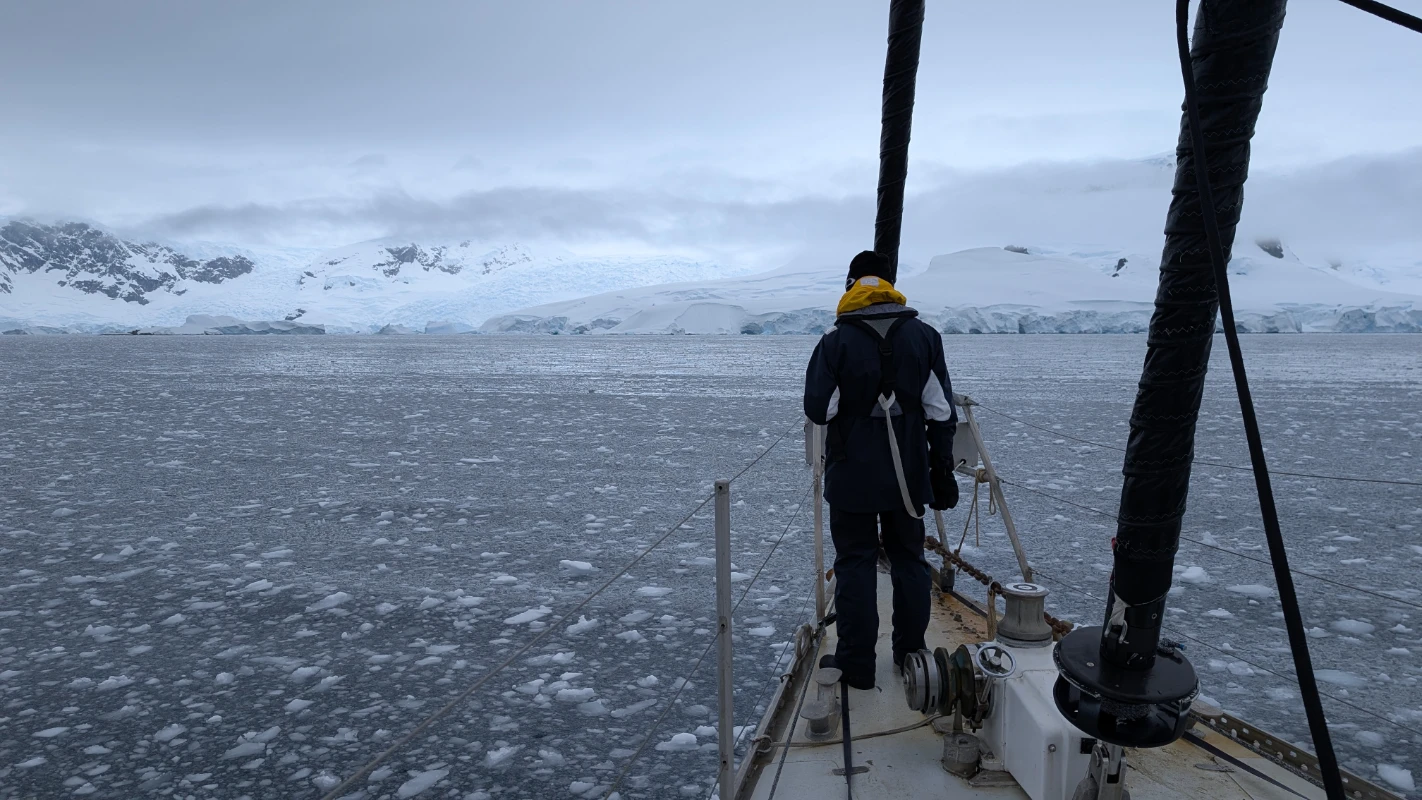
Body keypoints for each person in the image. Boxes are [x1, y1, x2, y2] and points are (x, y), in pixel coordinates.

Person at [803, 250, 958, 690]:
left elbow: (819, 409)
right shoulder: (924, 337)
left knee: (855, 562)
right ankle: (911, 654)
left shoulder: (835, 343)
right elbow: (941, 411)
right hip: (908, 476)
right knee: (910, 558)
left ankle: (857, 664)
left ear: (852, 284)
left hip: (852, 476)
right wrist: (941, 469)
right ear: (890, 284)